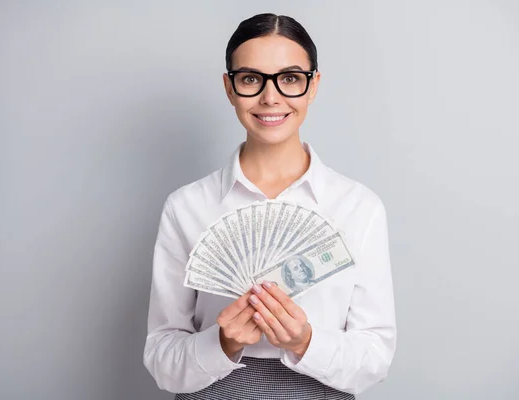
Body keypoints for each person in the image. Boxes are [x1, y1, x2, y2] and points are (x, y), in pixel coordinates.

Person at [143, 13, 397, 400]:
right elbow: (161, 356)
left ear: (313, 86)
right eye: (250, 79)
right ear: (229, 89)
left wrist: (306, 341)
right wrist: (222, 343)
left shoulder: (359, 208)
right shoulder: (187, 206)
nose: (271, 97)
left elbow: (375, 356)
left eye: (290, 78)